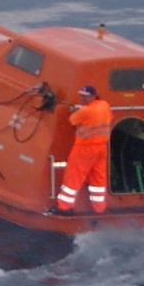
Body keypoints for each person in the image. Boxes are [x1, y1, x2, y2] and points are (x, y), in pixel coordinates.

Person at [52, 85, 113, 215]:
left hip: (85, 148)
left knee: (74, 176)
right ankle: (99, 208)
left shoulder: (86, 112)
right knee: (98, 177)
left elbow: (72, 120)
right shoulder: (104, 105)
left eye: (85, 97)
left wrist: (76, 111)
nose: (82, 99)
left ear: (92, 96)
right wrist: (84, 109)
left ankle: (64, 207)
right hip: (102, 148)